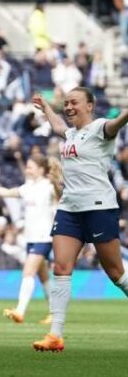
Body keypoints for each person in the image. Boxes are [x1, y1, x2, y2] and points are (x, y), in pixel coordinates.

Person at [30, 88, 128, 352]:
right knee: (61, 268)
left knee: (117, 274)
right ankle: (55, 335)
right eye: (67, 103)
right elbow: (59, 125)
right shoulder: (71, 134)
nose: (69, 107)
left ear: (90, 105)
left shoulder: (100, 128)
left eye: (74, 102)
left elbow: (118, 121)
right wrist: (47, 108)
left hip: (99, 207)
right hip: (69, 209)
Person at [0, 155, 61, 325]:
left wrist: (56, 181)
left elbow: (60, 194)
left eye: (31, 167)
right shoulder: (28, 187)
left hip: (44, 238)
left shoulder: (48, 187)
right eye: (27, 166)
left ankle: (20, 310)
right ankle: (55, 313)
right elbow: (6, 192)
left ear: (41, 170)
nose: (27, 169)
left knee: (28, 272)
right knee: (44, 277)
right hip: (31, 238)